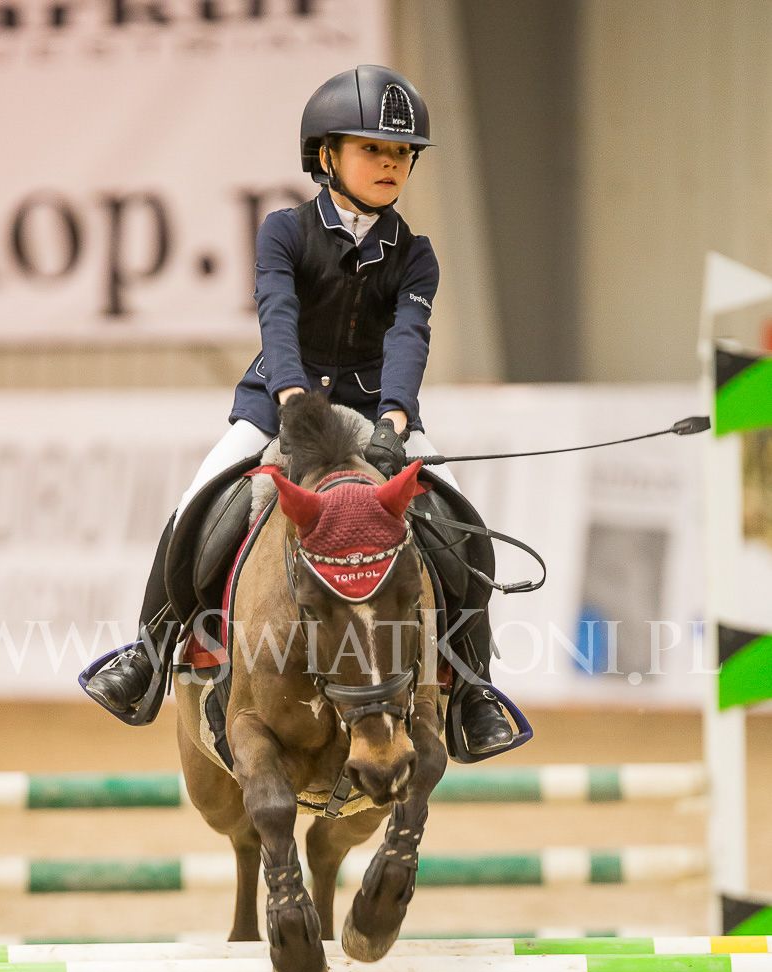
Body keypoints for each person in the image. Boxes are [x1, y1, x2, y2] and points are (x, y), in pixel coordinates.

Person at [84, 64, 514, 755]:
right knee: (197, 505)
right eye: (372, 149)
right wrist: (290, 397)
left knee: (462, 526)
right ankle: (149, 653)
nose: (390, 163)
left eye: (401, 153)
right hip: (278, 404)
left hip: (375, 412)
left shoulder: (416, 256)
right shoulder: (284, 231)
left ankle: (472, 689)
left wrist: (395, 421)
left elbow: (408, 339)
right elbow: (277, 315)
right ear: (326, 156)